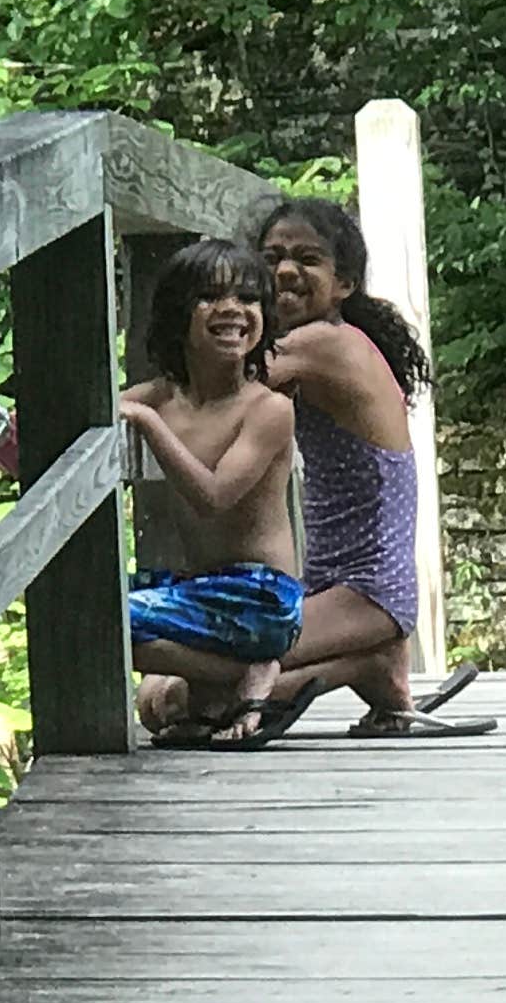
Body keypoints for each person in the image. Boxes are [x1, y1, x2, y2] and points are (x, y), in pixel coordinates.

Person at [246, 197, 486, 738]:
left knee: (188, 696)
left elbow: (212, 396)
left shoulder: (320, 343)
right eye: (270, 258)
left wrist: (128, 406)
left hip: (368, 590)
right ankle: (372, 665)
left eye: (308, 259)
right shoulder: (324, 341)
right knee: (167, 695)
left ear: (344, 284)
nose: (285, 271)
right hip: (347, 588)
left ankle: (363, 663)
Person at [118, 239, 303, 748]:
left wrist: (151, 425)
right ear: (178, 315)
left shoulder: (266, 409)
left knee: (106, 616)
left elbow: (215, 496)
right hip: (203, 592)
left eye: (248, 298)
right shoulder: (162, 395)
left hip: (262, 598)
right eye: (210, 296)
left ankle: (240, 674)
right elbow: (84, 424)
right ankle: (231, 677)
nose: (232, 310)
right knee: (84, 597)